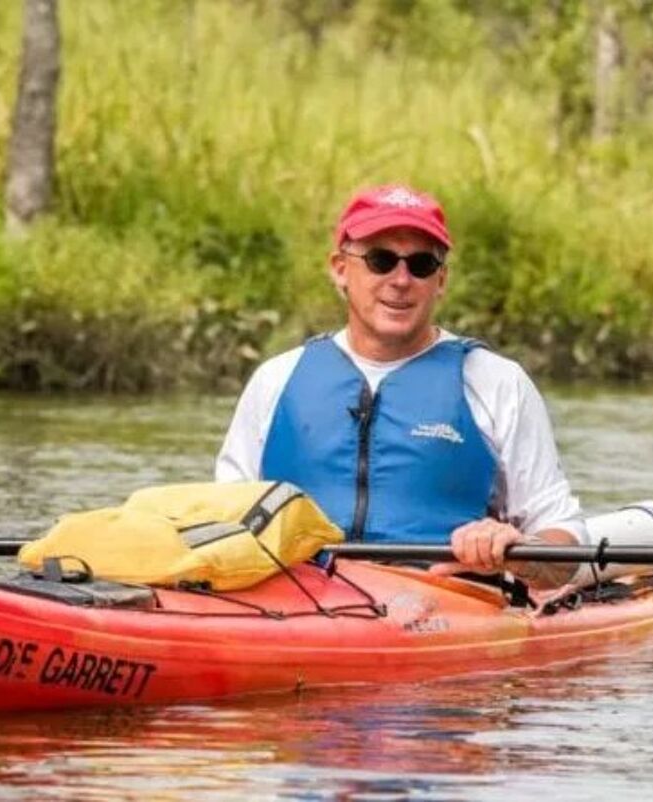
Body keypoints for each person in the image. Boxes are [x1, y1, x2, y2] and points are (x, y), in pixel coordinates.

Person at [216, 184, 585, 588]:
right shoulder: (276, 379)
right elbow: (224, 522)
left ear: (440, 280)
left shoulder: (497, 382)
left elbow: (560, 542)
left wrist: (515, 548)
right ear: (340, 269)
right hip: (288, 606)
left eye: (422, 264)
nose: (401, 279)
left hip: (447, 609)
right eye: (381, 260)